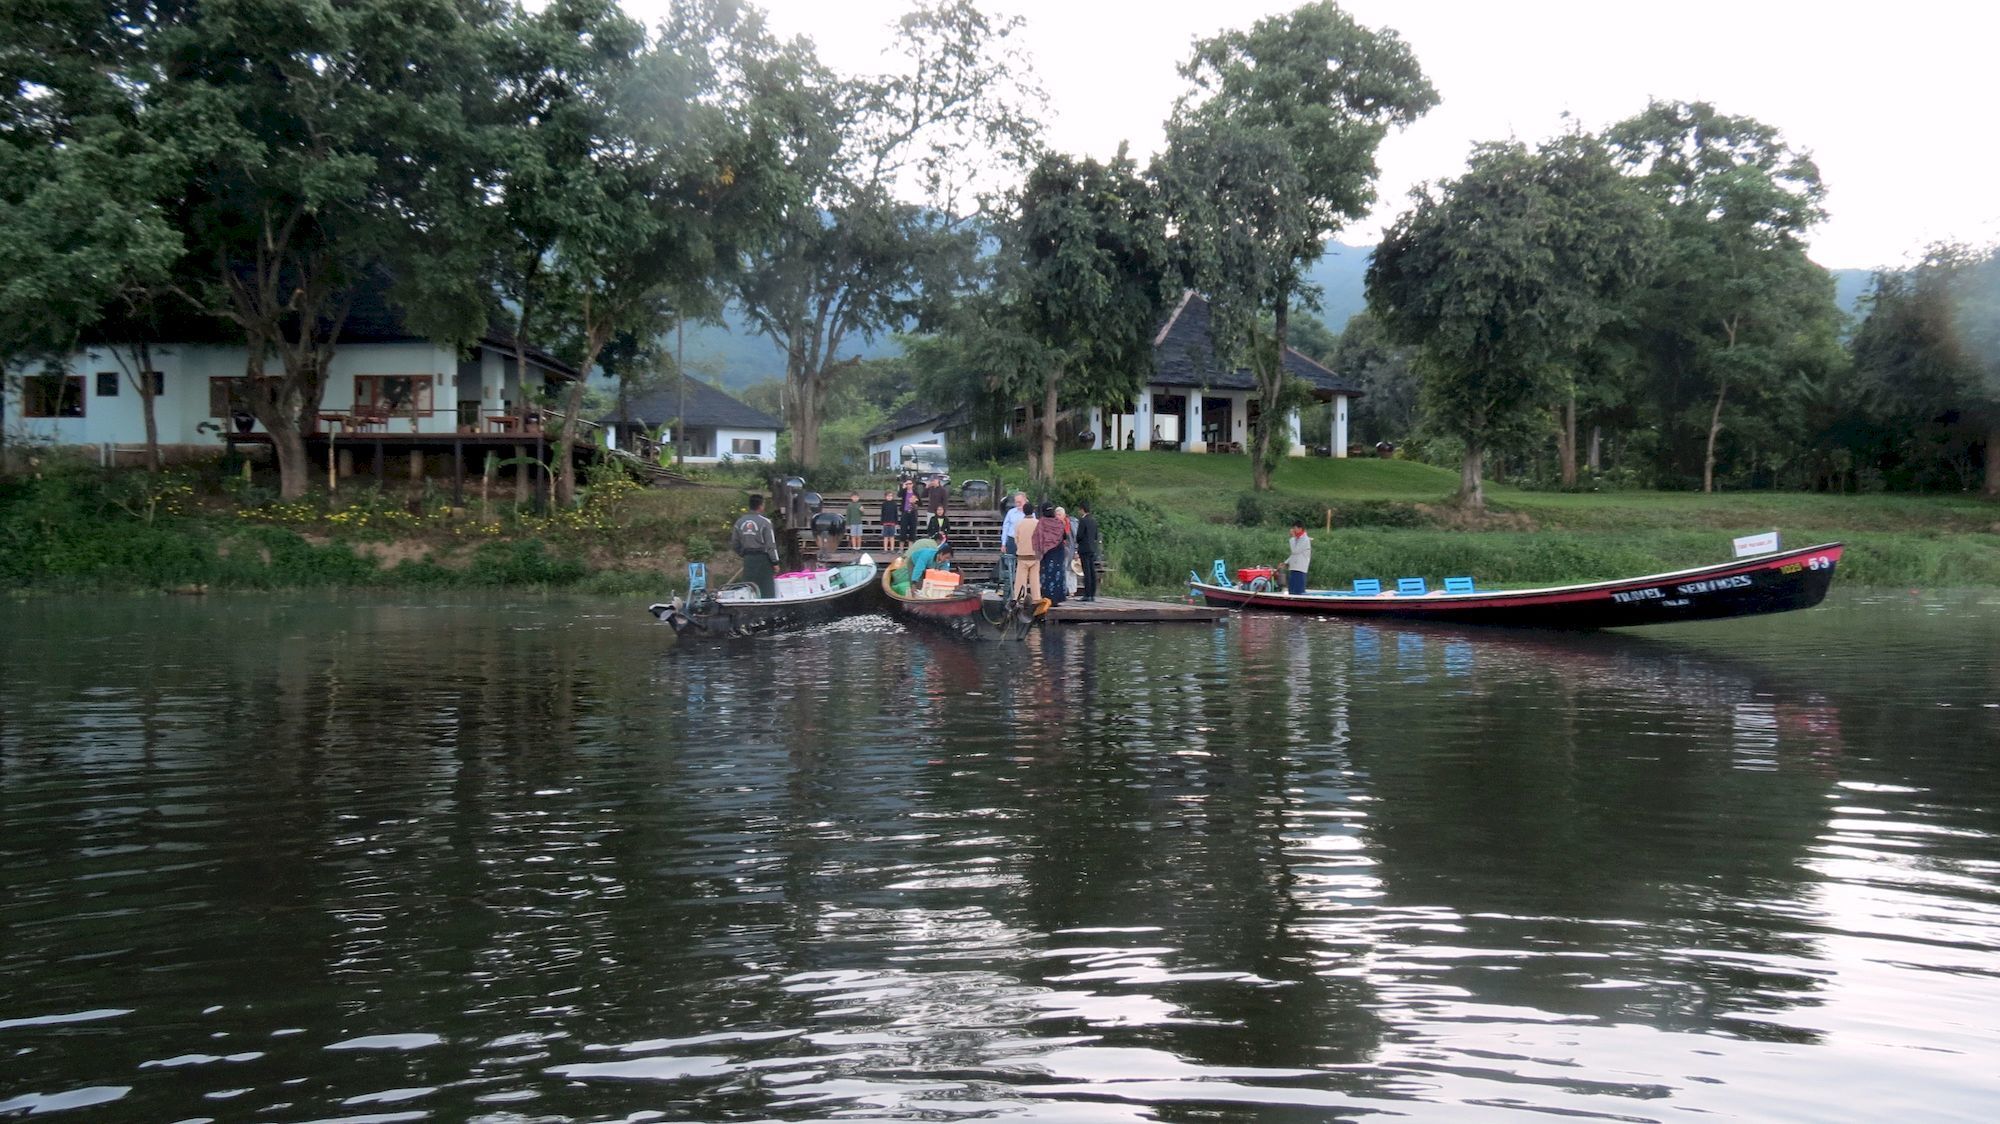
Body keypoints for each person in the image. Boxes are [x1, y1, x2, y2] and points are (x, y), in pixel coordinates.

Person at [733, 494, 780, 598]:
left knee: (748, 588)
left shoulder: (739, 522)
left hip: (748, 559)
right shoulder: (765, 522)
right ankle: (767, 609)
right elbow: (770, 544)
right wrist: (775, 562)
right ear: (761, 506)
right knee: (766, 589)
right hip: (763, 559)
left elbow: (735, 543)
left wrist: (744, 553)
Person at [1036, 503, 1069, 606]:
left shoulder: (1042, 522)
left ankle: (1046, 597)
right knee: (1057, 574)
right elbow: (1064, 536)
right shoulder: (1058, 522)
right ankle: (1057, 598)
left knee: (1046, 573)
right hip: (1058, 551)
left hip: (1047, 552)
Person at [1010, 502, 1041, 603]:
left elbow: (1016, 539)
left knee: (1020, 579)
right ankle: (1036, 598)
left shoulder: (1019, 523)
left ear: (1023, 511)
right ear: (1033, 511)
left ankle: (1019, 597)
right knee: (1035, 579)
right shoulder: (1038, 523)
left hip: (1022, 555)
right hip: (1035, 555)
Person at [997, 491, 1027, 591]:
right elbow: (1005, 527)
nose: (1018, 504)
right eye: (1016, 502)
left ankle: (1020, 588)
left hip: (1023, 541)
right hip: (1011, 540)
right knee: (1009, 564)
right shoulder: (1011, 512)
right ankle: (1009, 587)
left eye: (1020, 502)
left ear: (1025, 501)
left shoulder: (1030, 513)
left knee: (1022, 565)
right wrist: (1003, 543)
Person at [1074, 501, 1101, 602]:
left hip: (1084, 548)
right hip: (1092, 548)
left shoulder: (1083, 520)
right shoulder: (1093, 521)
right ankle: (1092, 594)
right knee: (1092, 571)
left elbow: (1079, 535)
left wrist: (1078, 541)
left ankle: (1087, 594)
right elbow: (1096, 536)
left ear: (1082, 509)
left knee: (1086, 572)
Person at [1286, 519, 1312, 595]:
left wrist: (1292, 537)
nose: (1293, 530)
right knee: (1292, 589)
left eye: (1295, 528)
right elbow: (1293, 555)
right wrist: (1285, 562)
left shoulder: (1305, 539)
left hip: (1300, 568)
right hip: (1294, 567)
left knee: (1298, 591)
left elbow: (1295, 551)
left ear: (1300, 529)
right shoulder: (1297, 538)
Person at [897, 480, 919, 547]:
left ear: (912, 484)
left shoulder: (915, 492)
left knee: (912, 531)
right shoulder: (904, 491)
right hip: (905, 512)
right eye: (907, 484)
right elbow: (899, 495)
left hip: (913, 513)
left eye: (910, 484)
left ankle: (910, 548)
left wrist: (915, 501)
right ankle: (901, 549)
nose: (908, 485)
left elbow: (920, 503)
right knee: (903, 530)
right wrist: (903, 487)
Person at [879, 488, 898, 553]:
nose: (889, 497)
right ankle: (885, 549)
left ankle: (892, 549)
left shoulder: (894, 504)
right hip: (885, 522)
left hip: (892, 522)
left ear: (892, 497)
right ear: (885, 497)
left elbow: (896, 513)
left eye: (890, 496)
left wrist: (896, 522)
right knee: (885, 536)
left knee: (892, 536)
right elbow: (882, 513)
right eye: (888, 496)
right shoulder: (884, 504)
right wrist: (882, 521)